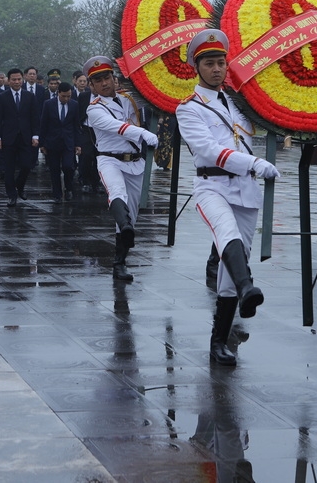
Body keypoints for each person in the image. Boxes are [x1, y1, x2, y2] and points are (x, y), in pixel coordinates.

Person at [175, 30, 280, 365]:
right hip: (212, 186)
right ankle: (249, 286)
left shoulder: (239, 101)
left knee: (231, 264)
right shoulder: (188, 109)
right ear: (197, 67)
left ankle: (219, 341)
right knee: (227, 235)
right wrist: (254, 162)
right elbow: (209, 149)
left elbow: (268, 120)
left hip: (245, 189)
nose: (217, 69)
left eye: (221, 62)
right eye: (209, 63)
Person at [84, 56, 159, 281]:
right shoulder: (94, 109)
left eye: (107, 77)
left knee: (132, 215)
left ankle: (119, 262)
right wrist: (144, 133)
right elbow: (119, 127)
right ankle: (124, 231)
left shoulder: (129, 98)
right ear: (92, 85)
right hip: (110, 160)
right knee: (117, 193)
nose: (104, 83)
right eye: (98, 81)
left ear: (114, 78)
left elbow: (154, 100)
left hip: (136, 162)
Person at [0, 68, 40, 206]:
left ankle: (19, 186)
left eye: (19, 79)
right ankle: (11, 195)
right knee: (8, 168)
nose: (17, 82)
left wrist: (35, 135)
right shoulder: (2, 97)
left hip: (25, 136)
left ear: (23, 79)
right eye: (14, 79)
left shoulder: (30, 96)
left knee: (27, 165)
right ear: (9, 81)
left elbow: (34, 118)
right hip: (8, 137)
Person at [39, 81, 80, 202]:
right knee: (54, 169)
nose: (66, 98)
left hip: (68, 142)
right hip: (53, 142)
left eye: (68, 96)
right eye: (64, 96)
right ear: (58, 93)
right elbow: (43, 124)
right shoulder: (48, 104)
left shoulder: (74, 105)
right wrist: (42, 143)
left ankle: (69, 188)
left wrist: (78, 144)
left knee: (68, 166)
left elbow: (76, 125)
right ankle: (56, 194)